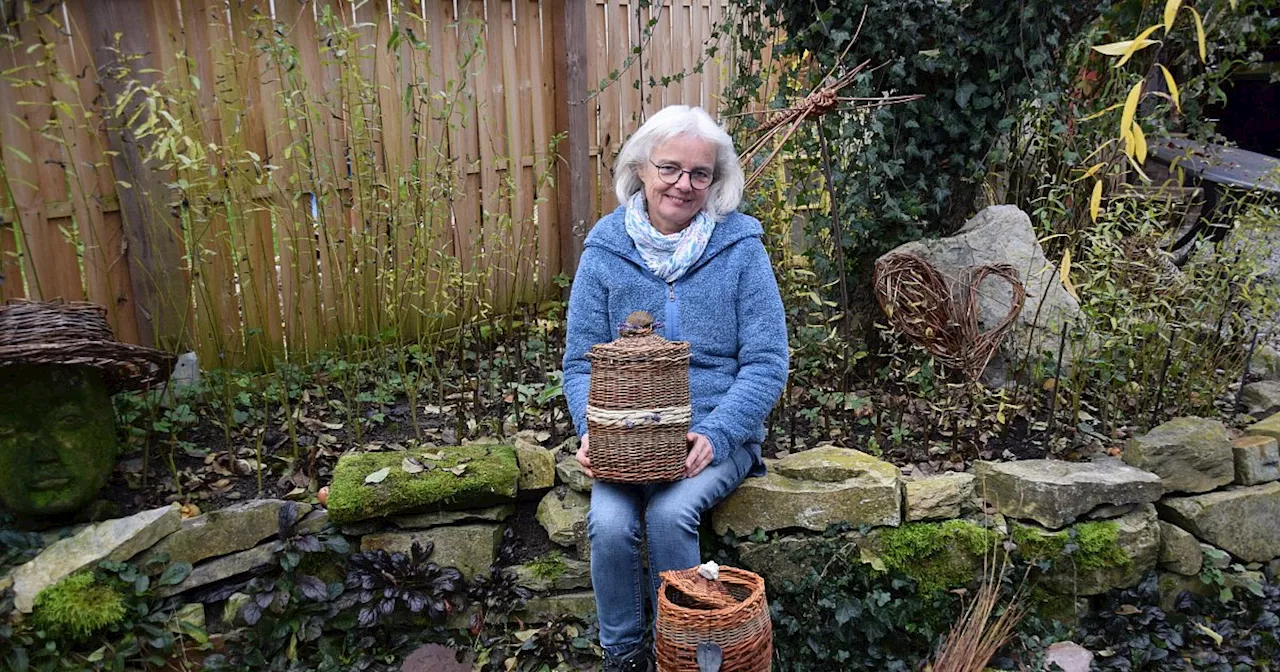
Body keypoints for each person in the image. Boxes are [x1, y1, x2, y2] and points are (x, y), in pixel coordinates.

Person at [561, 104, 789, 672]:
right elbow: (577, 363)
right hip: (626, 442)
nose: (683, 185)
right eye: (670, 168)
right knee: (609, 526)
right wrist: (593, 432)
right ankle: (624, 655)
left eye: (699, 174)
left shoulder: (741, 248)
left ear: (715, 181)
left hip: (710, 437)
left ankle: (686, 656)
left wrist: (718, 433)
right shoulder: (605, 250)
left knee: (668, 516)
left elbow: (766, 362)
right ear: (640, 168)